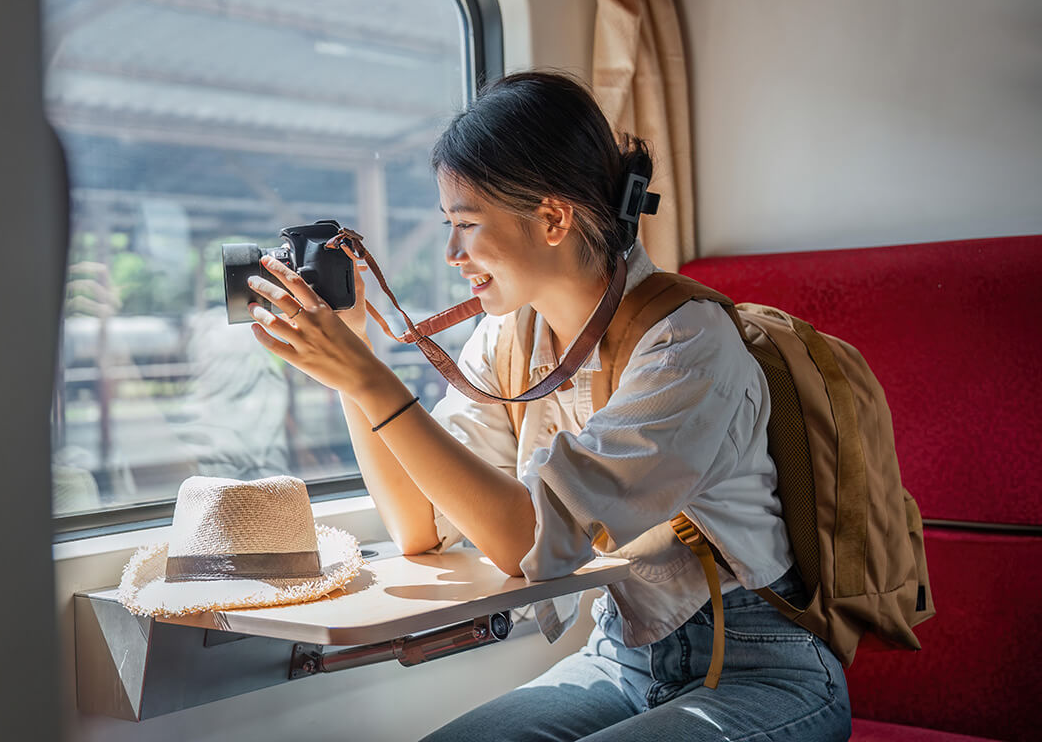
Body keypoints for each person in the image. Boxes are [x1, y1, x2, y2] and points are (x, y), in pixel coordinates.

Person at [245, 71, 851, 741]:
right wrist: (356, 364)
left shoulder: (687, 347)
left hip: (759, 668)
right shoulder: (509, 338)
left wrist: (370, 382)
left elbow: (522, 542)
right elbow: (419, 526)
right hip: (620, 656)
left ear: (554, 218)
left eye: (467, 225)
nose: (452, 254)